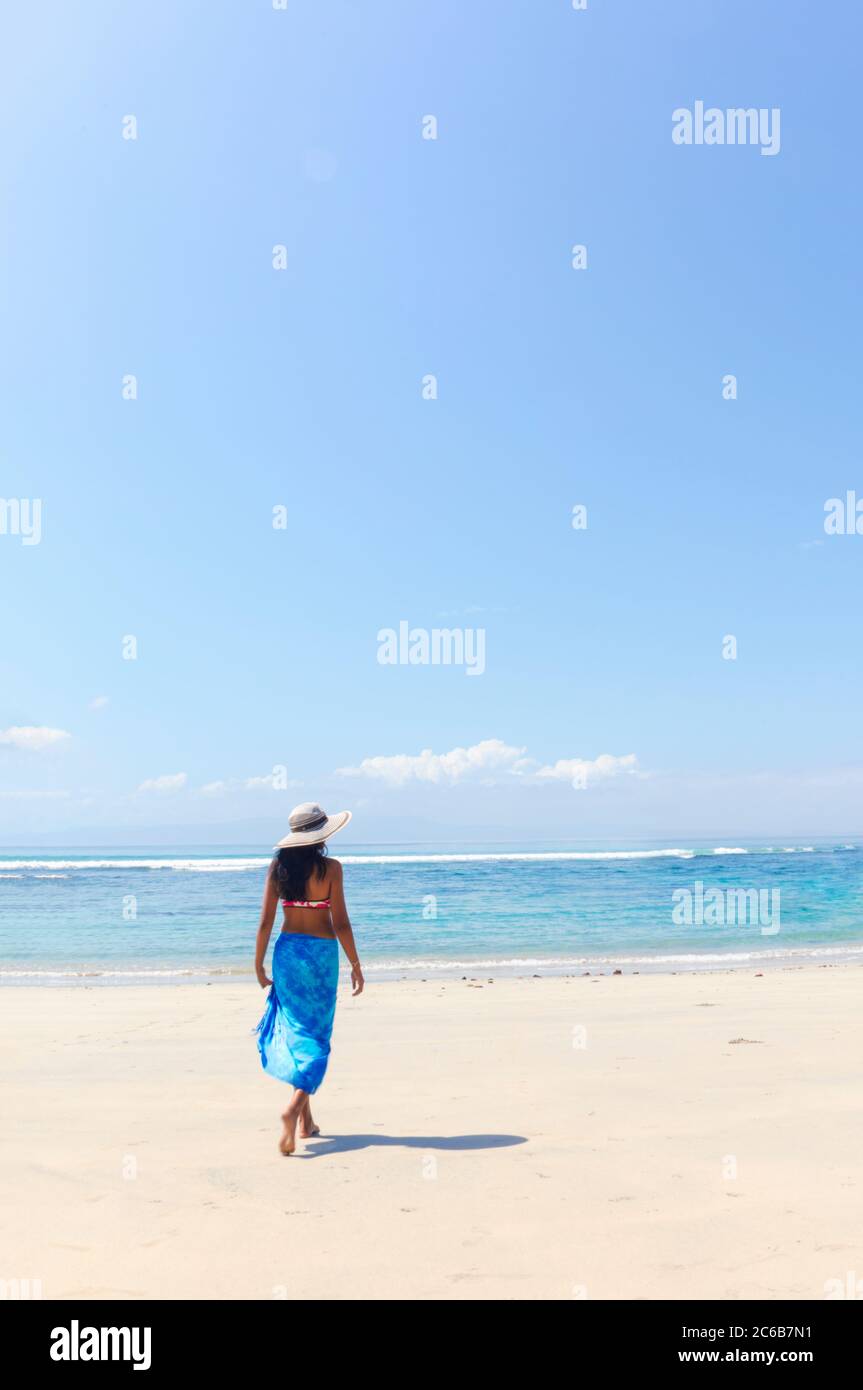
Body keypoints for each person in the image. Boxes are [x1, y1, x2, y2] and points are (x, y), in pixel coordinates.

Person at [254, 802, 363, 1154]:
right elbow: (341, 922)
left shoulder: (277, 869)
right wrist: (356, 964)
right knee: (316, 1037)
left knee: (297, 1031)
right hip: (319, 957)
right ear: (322, 836)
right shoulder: (331, 869)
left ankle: (306, 1122)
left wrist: (258, 963)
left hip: (287, 953)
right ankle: (292, 1109)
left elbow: (266, 923)